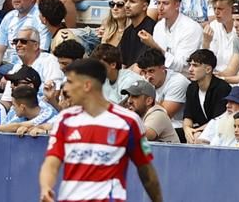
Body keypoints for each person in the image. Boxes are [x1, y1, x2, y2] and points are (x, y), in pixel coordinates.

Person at [39, 58, 163, 202]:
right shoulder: (64, 119)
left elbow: (146, 170)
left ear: (87, 85)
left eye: (70, 82)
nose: (65, 88)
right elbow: (51, 163)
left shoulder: (128, 121)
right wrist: (46, 188)